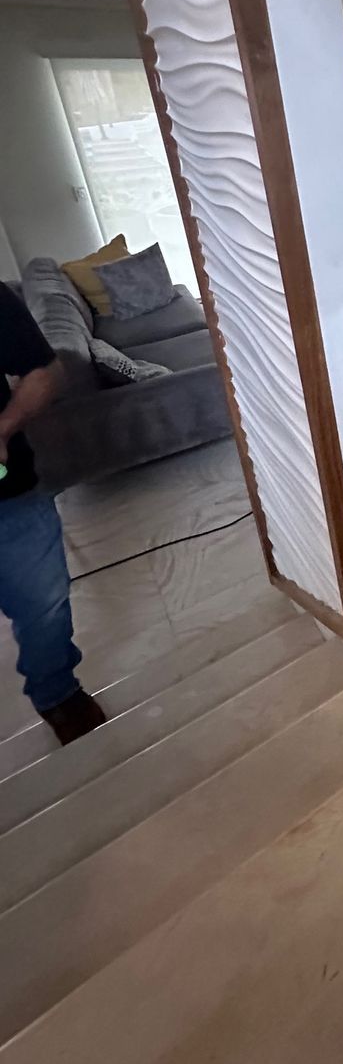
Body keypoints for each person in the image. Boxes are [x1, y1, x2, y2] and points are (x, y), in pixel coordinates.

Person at [0, 282, 105, 744]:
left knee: (42, 606)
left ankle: (58, 694)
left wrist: (3, 427)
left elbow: (43, 371)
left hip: (9, 495)